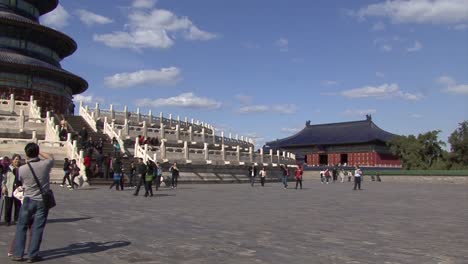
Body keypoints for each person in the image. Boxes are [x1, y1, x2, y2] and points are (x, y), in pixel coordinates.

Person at [11, 143, 54, 262]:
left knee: (21, 226)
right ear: (37, 152)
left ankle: (18, 254)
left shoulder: (21, 169)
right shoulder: (45, 164)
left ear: (26, 154)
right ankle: (32, 254)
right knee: (37, 228)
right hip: (42, 201)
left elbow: (19, 181)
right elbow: (51, 157)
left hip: (28, 199)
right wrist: (39, 151)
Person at [2, 154, 22, 226]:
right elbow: (4, 178)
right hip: (9, 188)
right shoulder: (8, 168)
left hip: (18, 189)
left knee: (18, 206)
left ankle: (17, 219)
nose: (17, 160)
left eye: (18, 159)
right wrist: (3, 186)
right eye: (16, 159)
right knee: (8, 206)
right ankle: (7, 220)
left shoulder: (21, 168)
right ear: (12, 160)